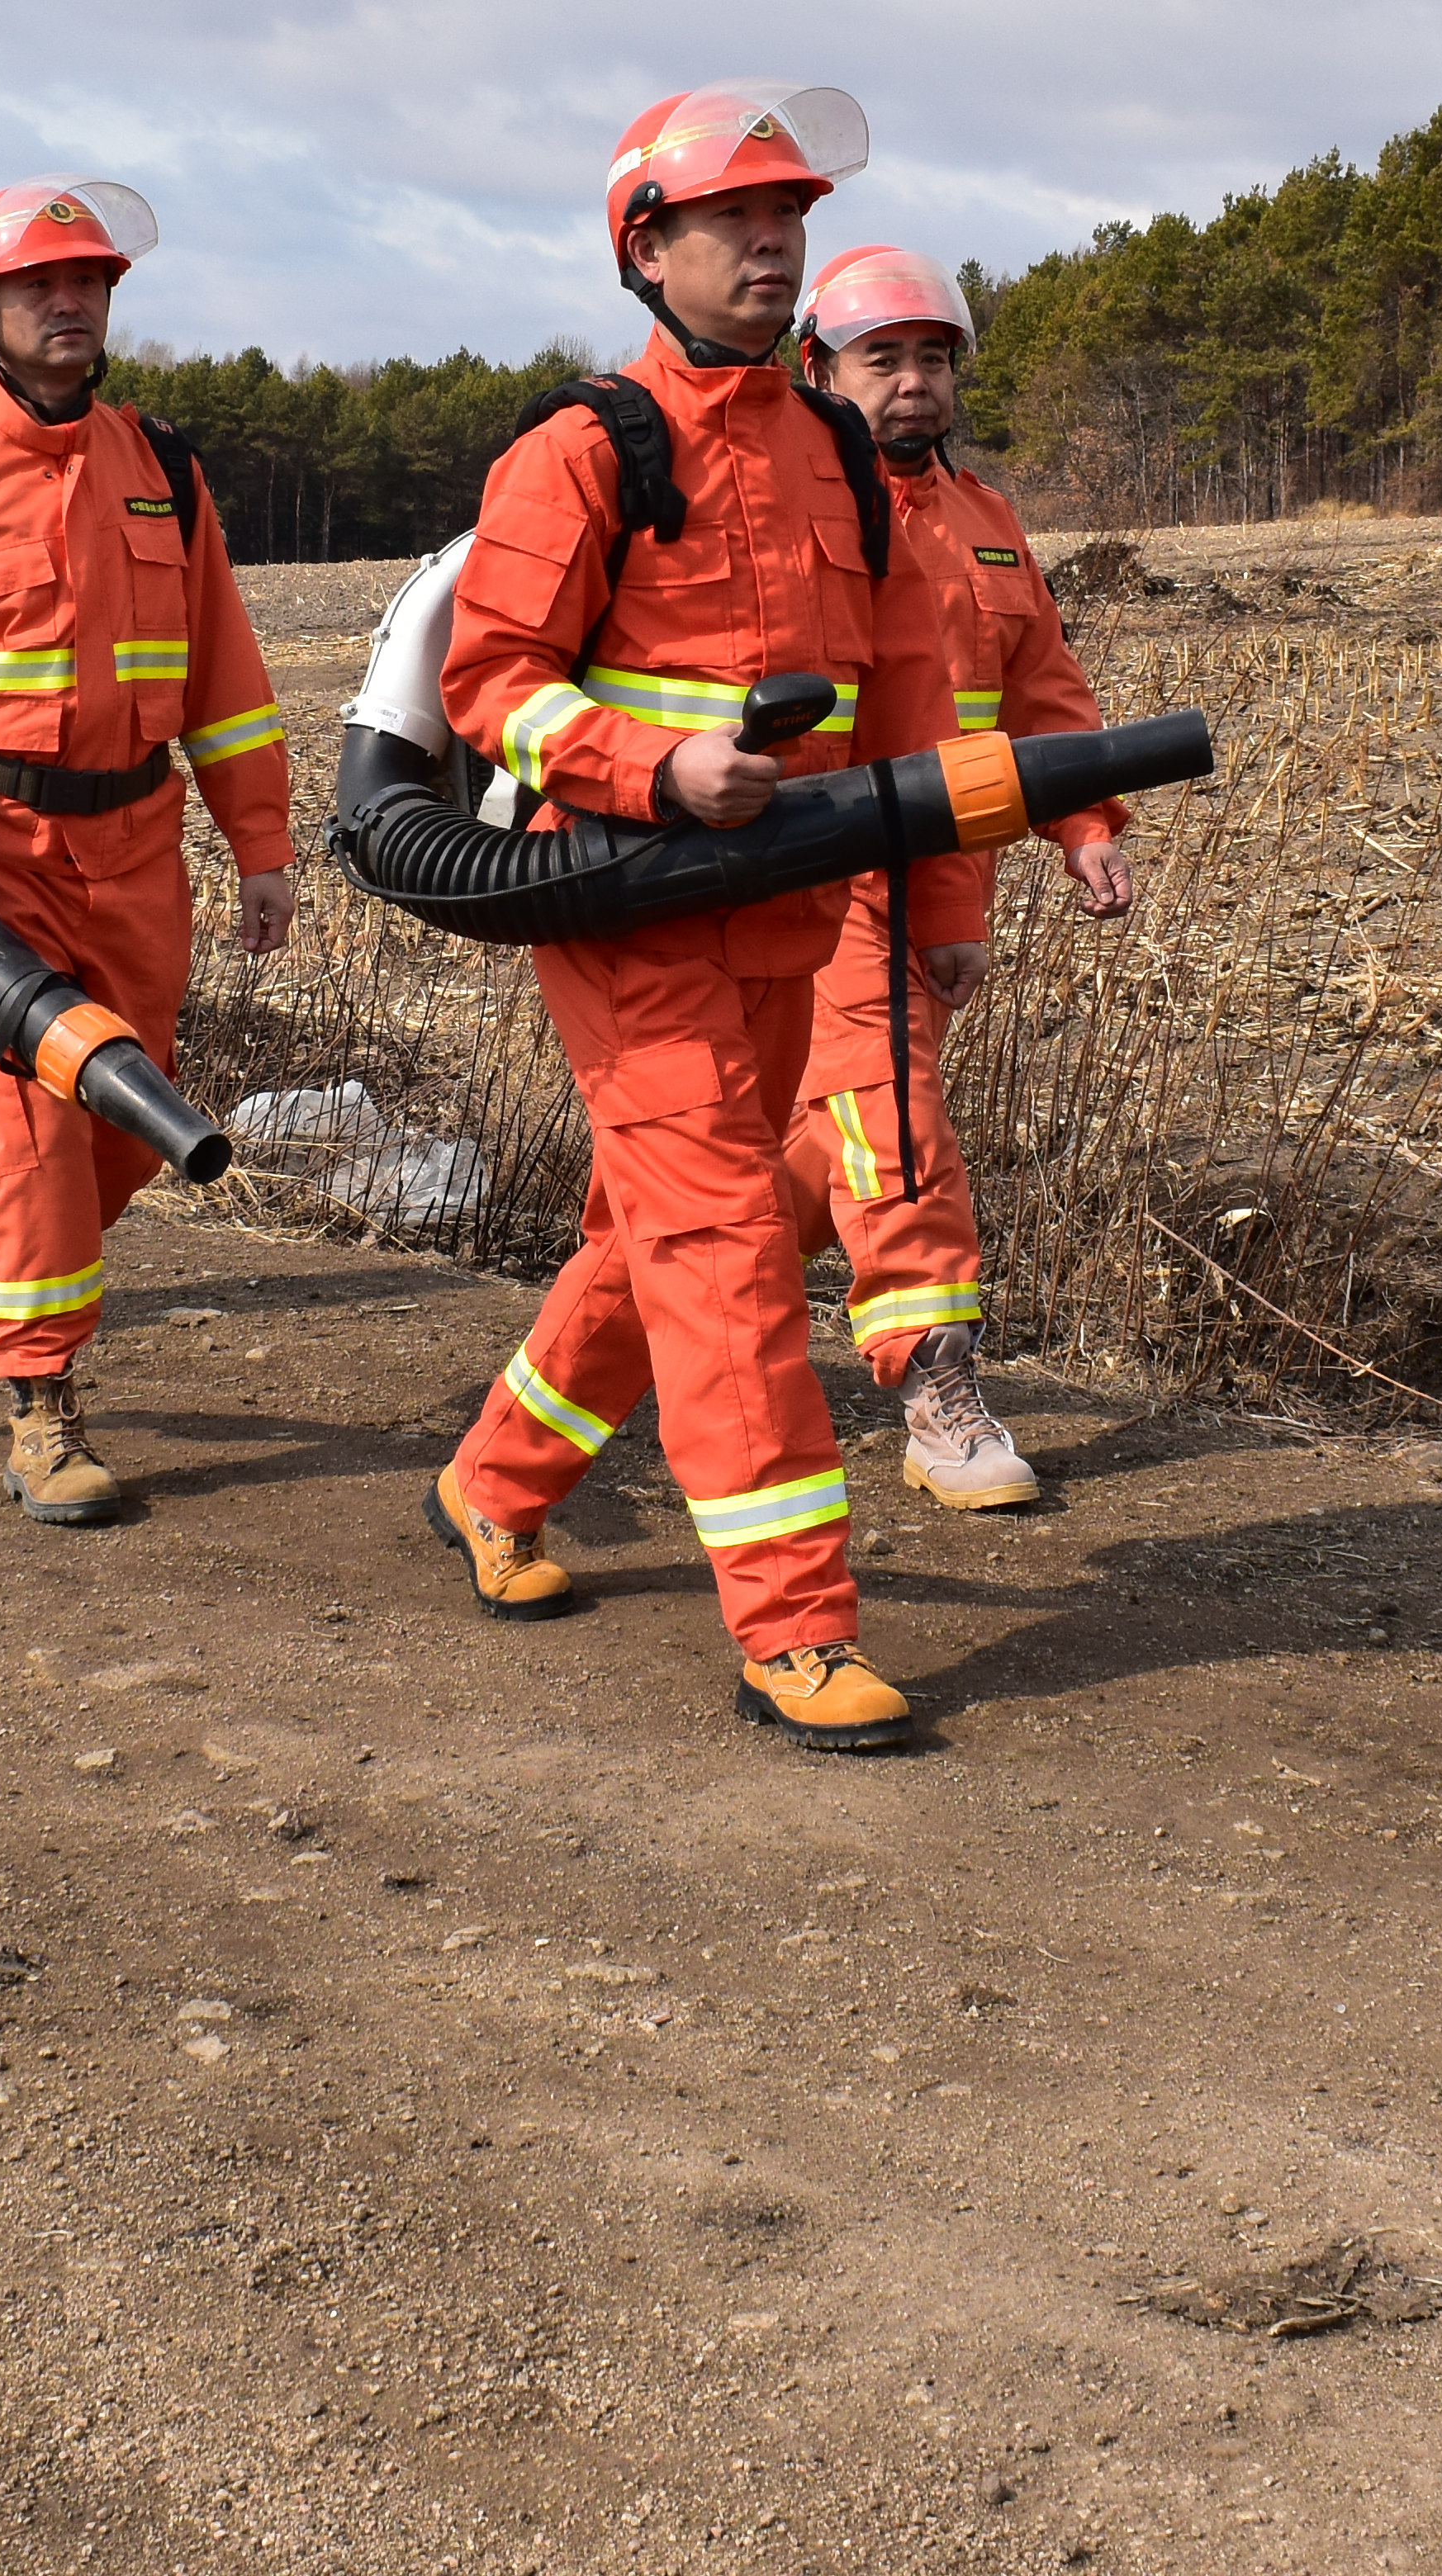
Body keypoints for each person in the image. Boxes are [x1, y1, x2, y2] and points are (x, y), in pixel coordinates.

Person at [419, 86, 973, 1751]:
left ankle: (495, 1478)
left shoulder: (840, 455)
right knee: (726, 1247)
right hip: (625, 913)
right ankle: (795, 1628)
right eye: (737, 216)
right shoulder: (585, 451)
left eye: (789, 215)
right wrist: (654, 766)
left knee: (671, 1232)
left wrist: (943, 896)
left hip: (788, 922)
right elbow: (491, 685)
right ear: (645, 247)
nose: (773, 242)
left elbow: (913, 696)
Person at [0, 179, 294, 1522]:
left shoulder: (165, 470)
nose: (70, 303)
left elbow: (227, 681)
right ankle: (42, 1405)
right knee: (28, 1127)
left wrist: (261, 842)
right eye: (40, 287)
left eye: (88, 283)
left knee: (126, 1131)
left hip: (138, 854)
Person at [780, 243, 1138, 1510]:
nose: (915, 382)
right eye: (883, 358)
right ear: (817, 367)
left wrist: (1085, 825)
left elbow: (1042, 695)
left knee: (824, 1145)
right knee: (894, 1115)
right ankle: (937, 1385)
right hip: (812, 875)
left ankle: (656, 1312)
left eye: (934, 358)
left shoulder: (986, 523)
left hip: (943, 880)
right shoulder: (791, 512)